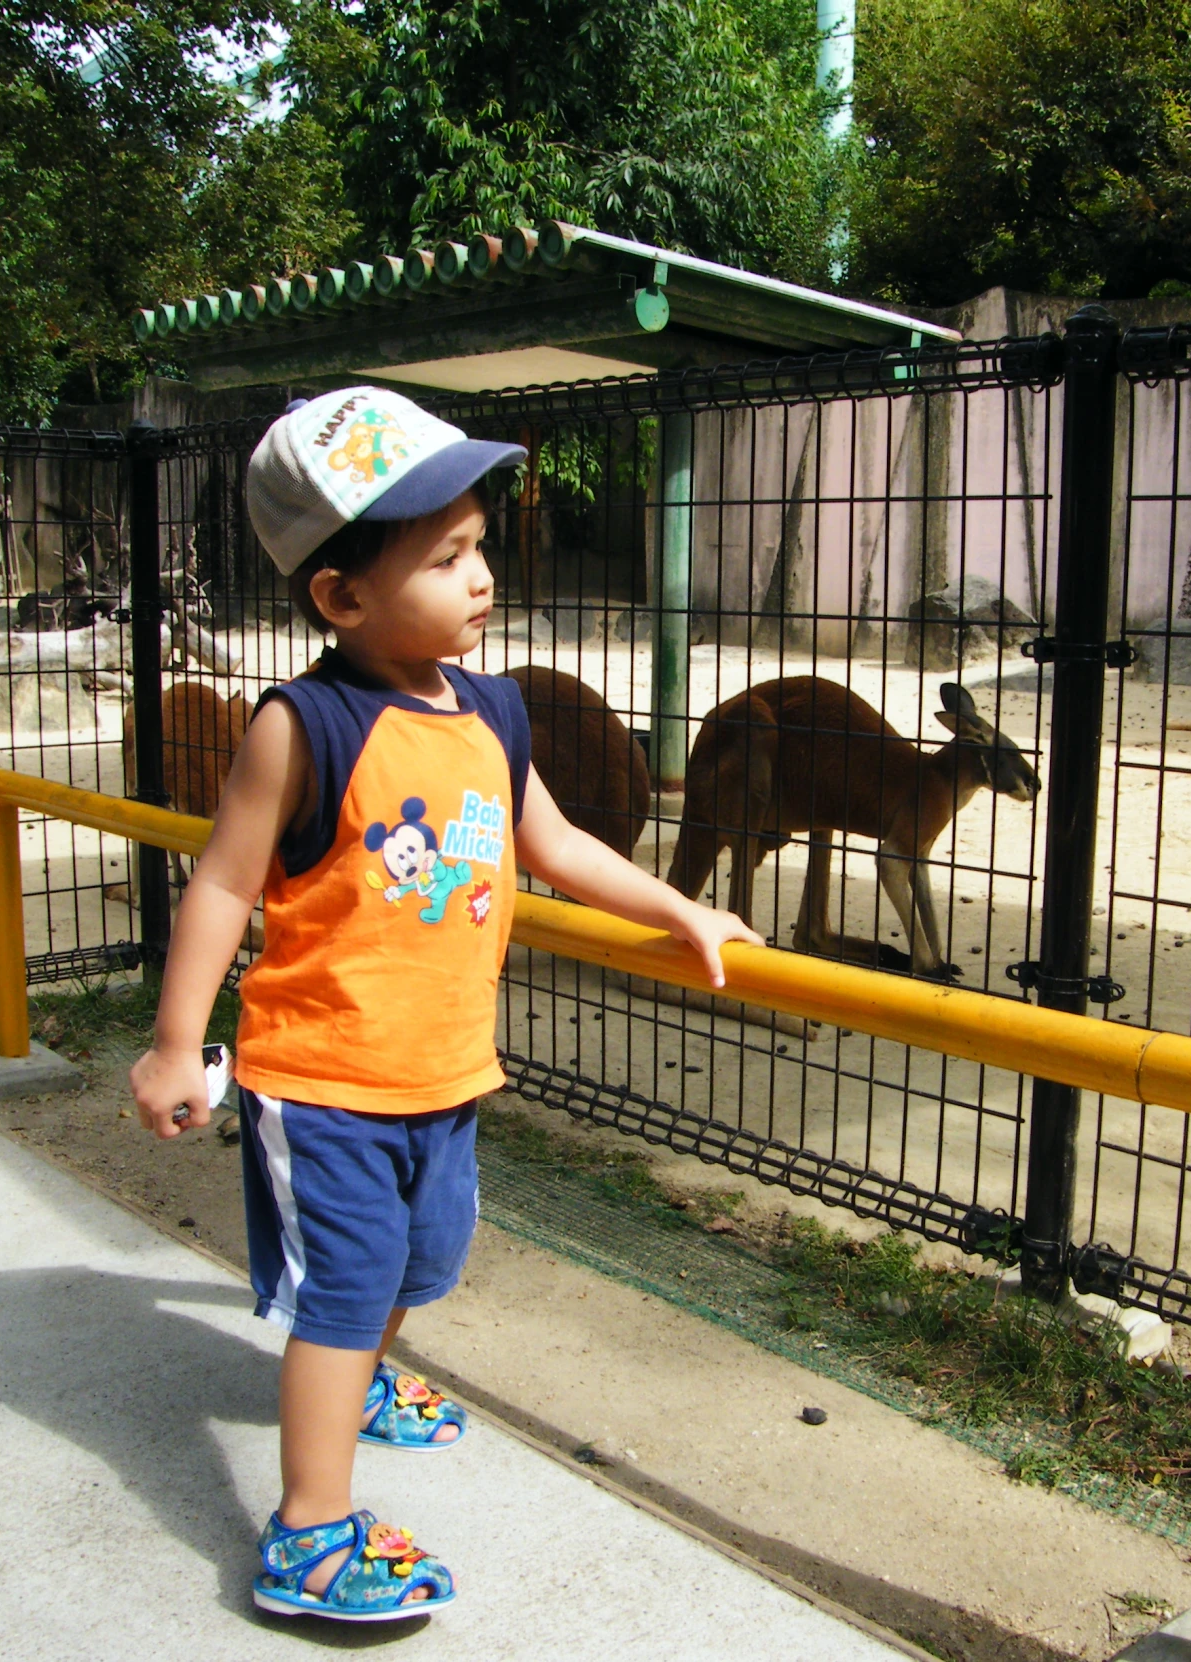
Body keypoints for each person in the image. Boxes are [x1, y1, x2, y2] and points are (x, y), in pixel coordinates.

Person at [129, 387, 759, 1623]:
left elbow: (556, 844)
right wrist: (169, 1046)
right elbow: (219, 884)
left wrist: (673, 908)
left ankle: (356, 1376)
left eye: (479, 548)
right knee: (347, 1288)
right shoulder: (299, 726)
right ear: (341, 598)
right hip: (322, 1079)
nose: (481, 578)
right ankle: (307, 1531)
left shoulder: (490, 708)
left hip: (448, 1072)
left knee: (424, 1260)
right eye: (447, 557)